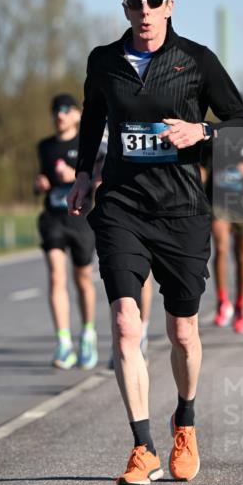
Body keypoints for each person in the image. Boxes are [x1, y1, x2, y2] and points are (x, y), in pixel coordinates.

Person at [68, 0, 243, 485]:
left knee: (182, 332)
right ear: (124, 9)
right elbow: (92, 118)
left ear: (170, 5)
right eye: (134, 3)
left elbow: (242, 125)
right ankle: (142, 446)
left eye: (153, 2)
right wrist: (82, 174)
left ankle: (185, 423)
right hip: (122, 207)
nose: (144, 11)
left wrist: (203, 130)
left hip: (182, 211)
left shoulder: (196, 60)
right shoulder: (104, 61)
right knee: (126, 324)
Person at [35, 94, 98, 369]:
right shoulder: (45, 147)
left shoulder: (88, 143)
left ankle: (87, 334)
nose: (59, 115)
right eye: (54, 110)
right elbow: (42, 176)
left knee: (82, 279)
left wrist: (75, 176)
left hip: (81, 219)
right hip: (53, 217)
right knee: (55, 276)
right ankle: (63, 343)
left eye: (64, 109)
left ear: (76, 114)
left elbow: (99, 178)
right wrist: (39, 183)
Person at [94, 125, 153, 366]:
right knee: (119, 277)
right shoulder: (102, 129)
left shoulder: (147, 118)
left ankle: (142, 333)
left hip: (149, 204)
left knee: (143, 277)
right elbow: (95, 166)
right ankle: (122, 339)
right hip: (116, 210)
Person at [202, 129, 243, 334]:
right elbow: (202, 168)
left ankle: (240, 305)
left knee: (242, 253)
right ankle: (223, 301)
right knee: (221, 248)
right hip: (218, 202)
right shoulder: (214, 139)